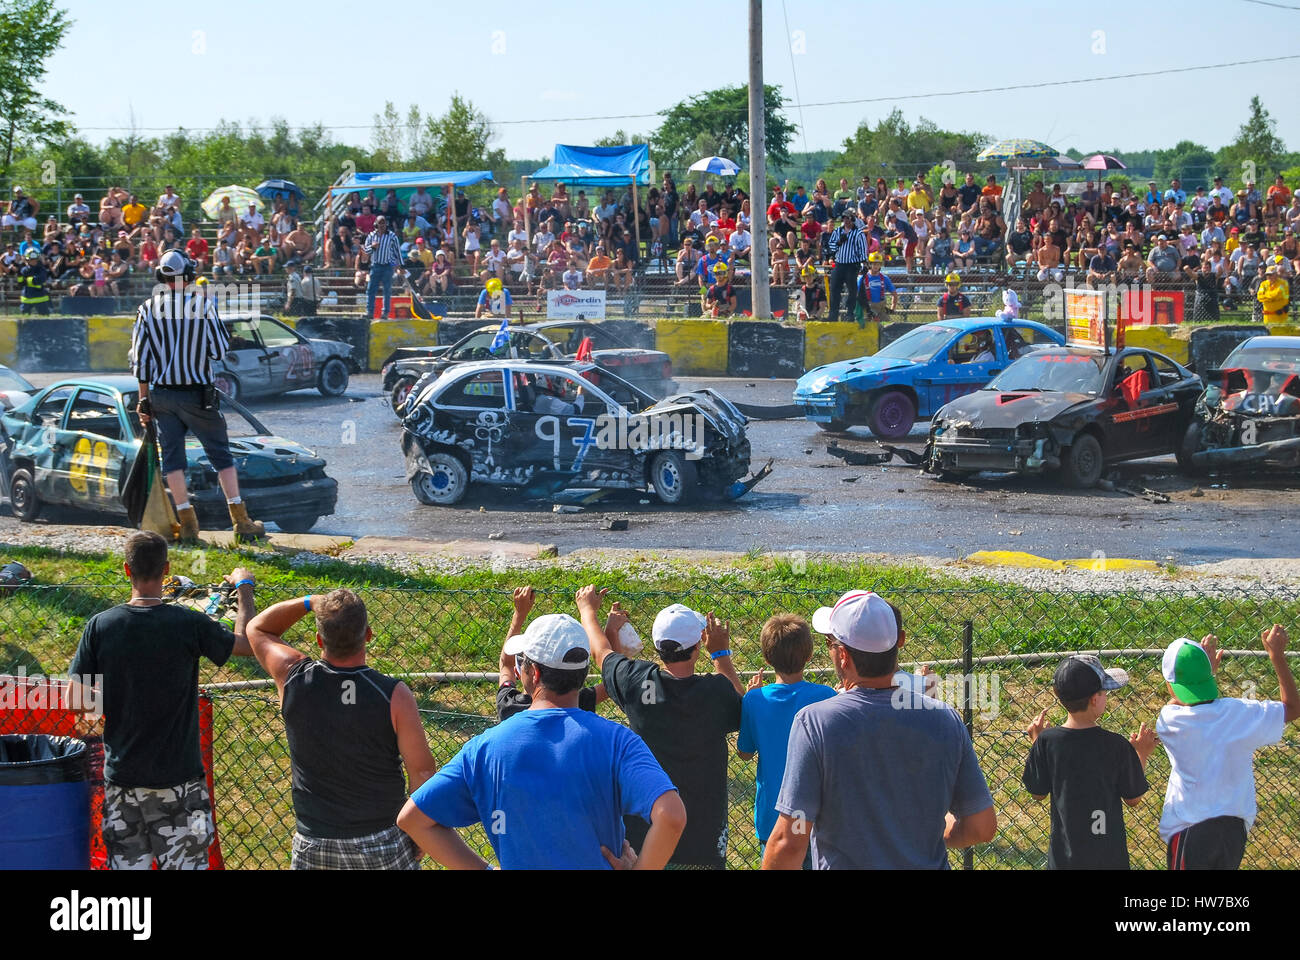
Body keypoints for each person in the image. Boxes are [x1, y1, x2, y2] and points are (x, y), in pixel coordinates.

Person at [398, 596, 686, 869]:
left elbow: (413, 820)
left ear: (532, 673)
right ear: (583, 672)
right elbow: (671, 816)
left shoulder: (485, 748)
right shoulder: (618, 741)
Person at [763, 590, 996, 869]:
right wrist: (935, 833)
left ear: (844, 656)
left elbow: (791, 838)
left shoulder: (816, 724)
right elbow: (981, 827)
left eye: (830, 643)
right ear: (895, 646)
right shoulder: (946, 720)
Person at [68, 532, 257, 869]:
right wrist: (244, 587)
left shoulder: (101, 626)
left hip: (123, 778)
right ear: (167, 570)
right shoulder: (188, 623)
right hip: (181, 780)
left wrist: (108, 710)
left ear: (127, 570)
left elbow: (76, 699)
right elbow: (244, 643)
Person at [243, 588, 436, 869]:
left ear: (319, 639)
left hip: (314, 842)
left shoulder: (293, 676)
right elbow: (422, 771)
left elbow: (257, 628)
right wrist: (420, 827)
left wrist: (309, 602)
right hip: (381, 838)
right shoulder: (394, 695)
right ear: (368, 635)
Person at [579, 587, 744, 869]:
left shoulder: (636, 680)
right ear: (696, 649)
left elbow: (601, 652)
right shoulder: (716, 692)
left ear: (657, 647)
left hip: (648, 838)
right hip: (702, 842)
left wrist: (587, 611)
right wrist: (721, 654)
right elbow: (742, 705)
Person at [130, 250, 265, 542]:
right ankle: (240, 522)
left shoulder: (146, 309)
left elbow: (141, 362)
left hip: (162, 396)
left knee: (173, 461)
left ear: (161, 277)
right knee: (221, 456)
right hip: (197, 395)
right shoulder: (202, 306)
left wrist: (144, 401)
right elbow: (218, 351)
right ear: (189, 276)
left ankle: (188, 524)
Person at [1158, 629, 1299, 869]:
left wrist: (1206, 674)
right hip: (1234, 829)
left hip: (1190, 828)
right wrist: (1277, 656)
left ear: (1171, 685)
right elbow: (1293, 708)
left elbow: (1179, 702)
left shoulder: (1169, 720)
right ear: (1209, 679)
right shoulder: (1240, 713)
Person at [1022, 655, 1155, 869]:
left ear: (1057, 694)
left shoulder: (1047, 742)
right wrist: (1141, 753)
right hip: (1108, 860)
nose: (1106, 697)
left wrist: (1037, 743)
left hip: (1064, 860)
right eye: (1104, 693)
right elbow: (1133, 798)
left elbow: (1038, 792)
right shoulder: (1116, 745)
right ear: (1094, 699)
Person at [737, 614, 835, 862]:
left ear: (767, 658)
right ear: (809, 656)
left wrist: (750, 700)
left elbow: (745, 753)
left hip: (774, 818)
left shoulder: (754, 700)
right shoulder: (827, 696)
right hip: (817, 816)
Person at [827, 210, 868, 322]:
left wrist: (864, 264)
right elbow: (831, 246)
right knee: (834, 289)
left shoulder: (858, 233)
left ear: (852, 219)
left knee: (852, 290)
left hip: (852, 265)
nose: (846, 221)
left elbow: (862, 250)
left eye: (848, 218)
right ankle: (833, 315)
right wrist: (839, 242)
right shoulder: (837, 231)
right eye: (844, 218)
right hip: (840, 264)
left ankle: (850, 313)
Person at [363, 215, 403, 319]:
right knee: (371, 289)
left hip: (387, 266)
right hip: (375, 265)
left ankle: (385, 313)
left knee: (387, 290)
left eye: (383, 223)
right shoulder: (371, 235)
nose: (381, 225)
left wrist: (401, 265)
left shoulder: (392, 236)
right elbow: (366, 251)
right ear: (376, 224)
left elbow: (397, 251)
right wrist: (373, 246)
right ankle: (370, 312)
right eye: (380, 223)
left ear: (386, 224)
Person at [858, 251, 898, 319]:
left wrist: (892, 309)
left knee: (887, 324)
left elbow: (894, 294)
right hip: (867, 309)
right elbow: (857, 295)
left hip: (881, 310)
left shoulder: (885, 278)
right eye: (874, 264)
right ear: (870, 264)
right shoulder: (862, 279)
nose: (876, 266)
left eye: (878, 264)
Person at [17, 247, 50, 314]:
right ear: (27, 260)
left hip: (40, 297)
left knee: (45, 319)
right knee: (24, 319)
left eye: (35, 259)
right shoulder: (24, 270)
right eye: (31, 260)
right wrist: (19, 274)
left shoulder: (41, 269)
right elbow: (20, 283)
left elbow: (40, 279)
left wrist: (28, 280)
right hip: (27, 298)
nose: (33, 261)